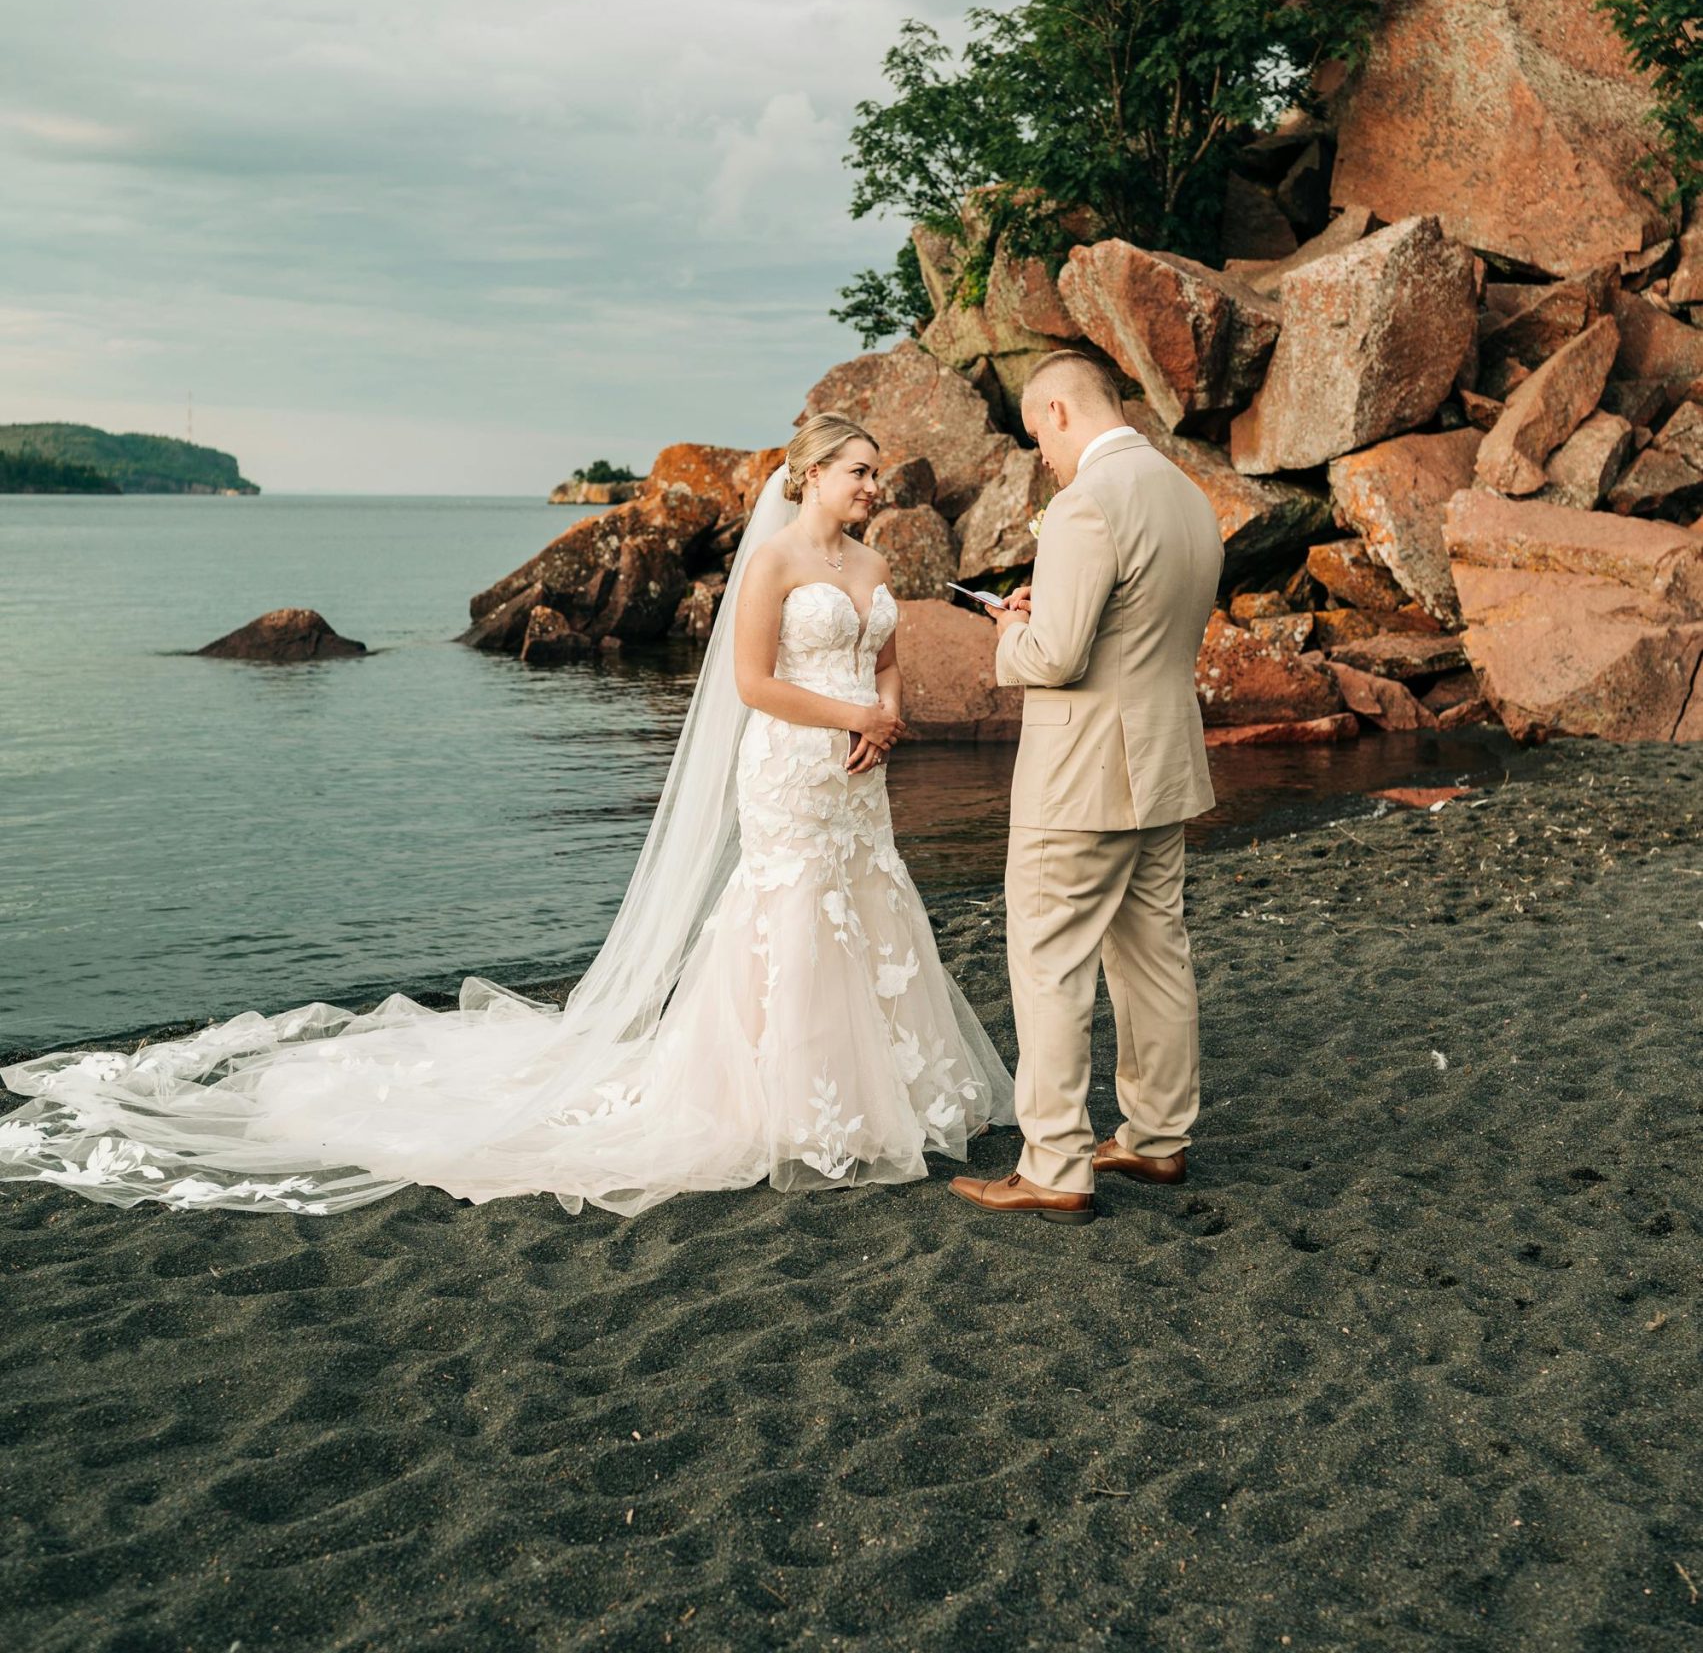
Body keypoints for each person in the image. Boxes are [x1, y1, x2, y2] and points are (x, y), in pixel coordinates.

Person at [0, 416, 1012, 1217]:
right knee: (788, 911)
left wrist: (886, 718)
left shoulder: (873, 570)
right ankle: (789, 1102)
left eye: (875, 474)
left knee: (868, 904)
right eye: (856, 472)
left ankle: (885, 1086)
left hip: (856, 770)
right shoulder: (775, 565)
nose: (872, 488)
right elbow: (750, 680)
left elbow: (885, 657)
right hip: (792, 764)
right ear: (807, 476)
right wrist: (846, 714)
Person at [950, 353, 1222, 1224]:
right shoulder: (1186, 496)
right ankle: (1155, 1138)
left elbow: (1057, 658)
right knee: (1154, 955)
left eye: (1039, 436)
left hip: (1078, 781)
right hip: (1163, 763)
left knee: (1050, 964)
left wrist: (1008, 630)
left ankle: (1055, 1165)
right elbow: (1139, 632)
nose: (1045, 458)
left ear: (1061, 411)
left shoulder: (1084, 503)